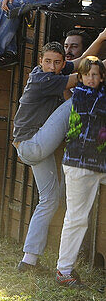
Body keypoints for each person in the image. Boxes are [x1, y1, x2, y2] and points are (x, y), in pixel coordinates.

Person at [9, 43, 81, 273]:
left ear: (62, 64)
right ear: (40, 61)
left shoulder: (54, 74)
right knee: (79, 99)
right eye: (47, 61)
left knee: (50, 200)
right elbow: (87, 70)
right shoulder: (43, 79)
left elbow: (80, 63)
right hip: (33, 145)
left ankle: (28, 260)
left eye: (57, 63)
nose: (51, 67)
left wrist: (100, 38)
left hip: (31, 147)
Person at [57, 56, 106, 288]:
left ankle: (65, 269)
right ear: (81, 77)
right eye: (87, 75)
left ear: (102, 77)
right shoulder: (83, 95)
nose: (91, 79)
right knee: (76, 219)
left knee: (77, 218)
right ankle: (63, 271)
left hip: (95, 163)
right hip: (80, 165)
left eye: (95, 74)